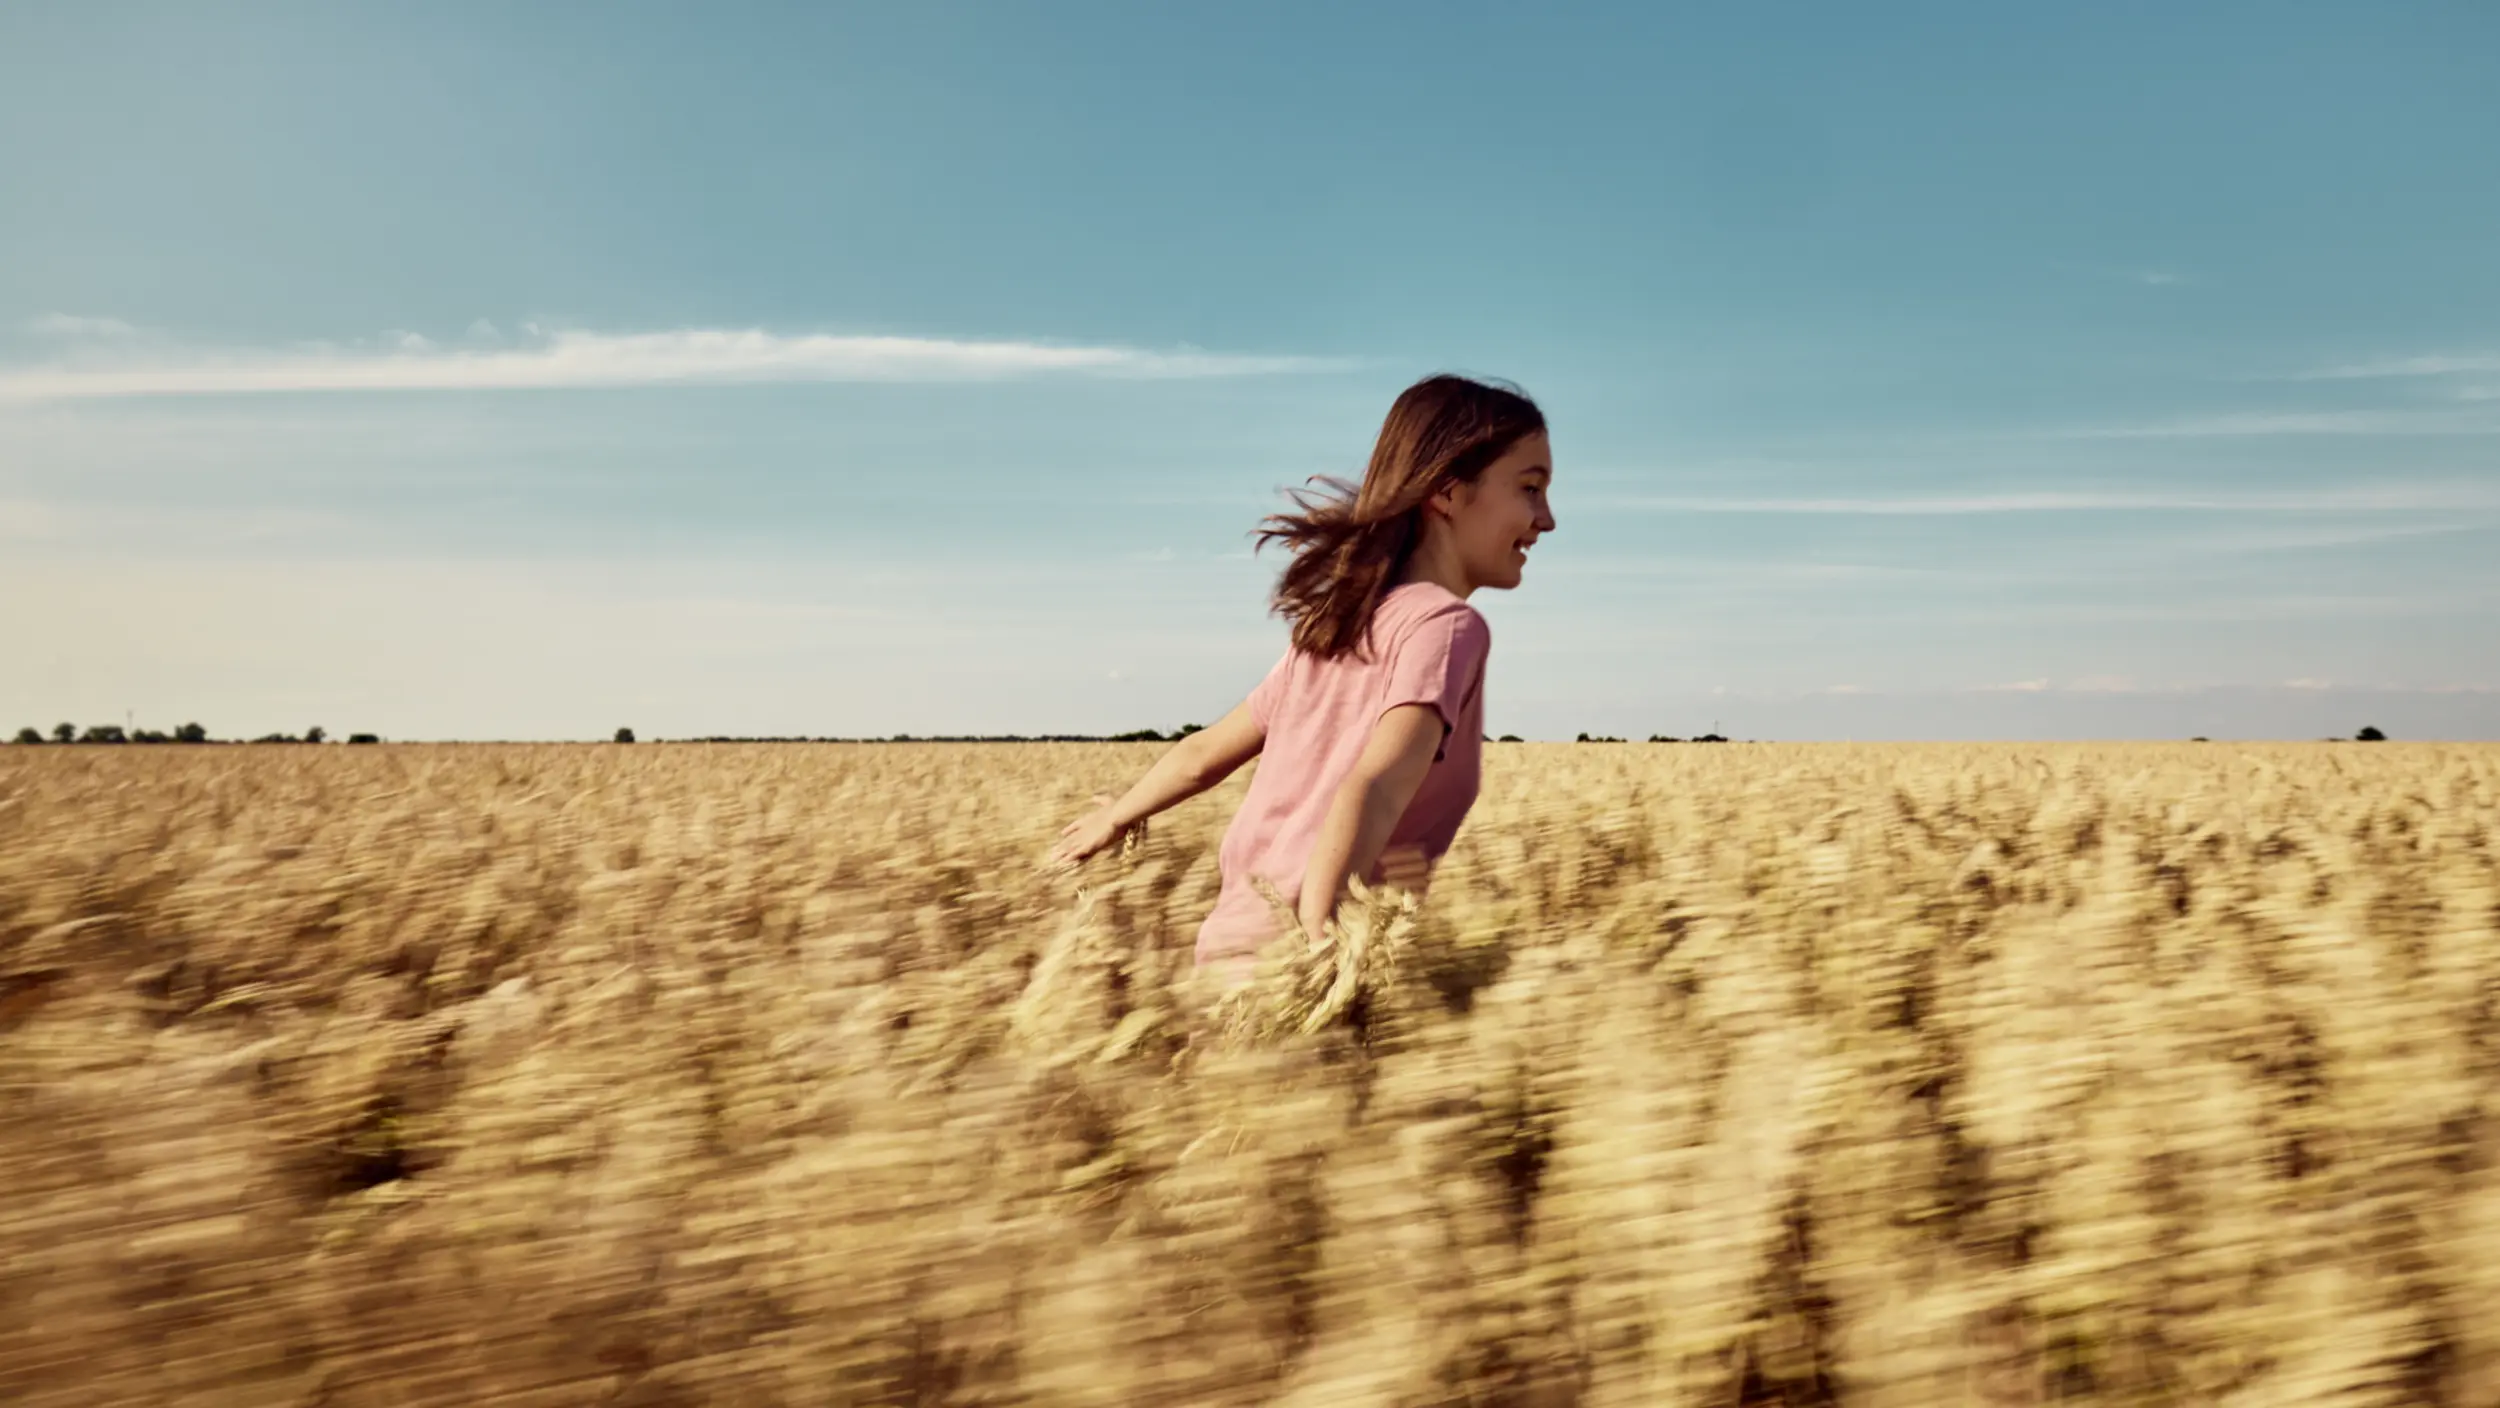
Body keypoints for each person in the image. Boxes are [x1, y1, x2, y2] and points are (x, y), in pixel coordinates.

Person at [1044, 373, 1555, 984]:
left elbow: (1204, 754)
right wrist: (1321, 948)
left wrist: (1117, 817)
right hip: (1308, 961)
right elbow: (1376, 785)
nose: (1546, 519)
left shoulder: (1337, 629)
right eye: (1531, 488)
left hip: (1232, 949)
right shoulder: (1447, 627)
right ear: (1447, 492)